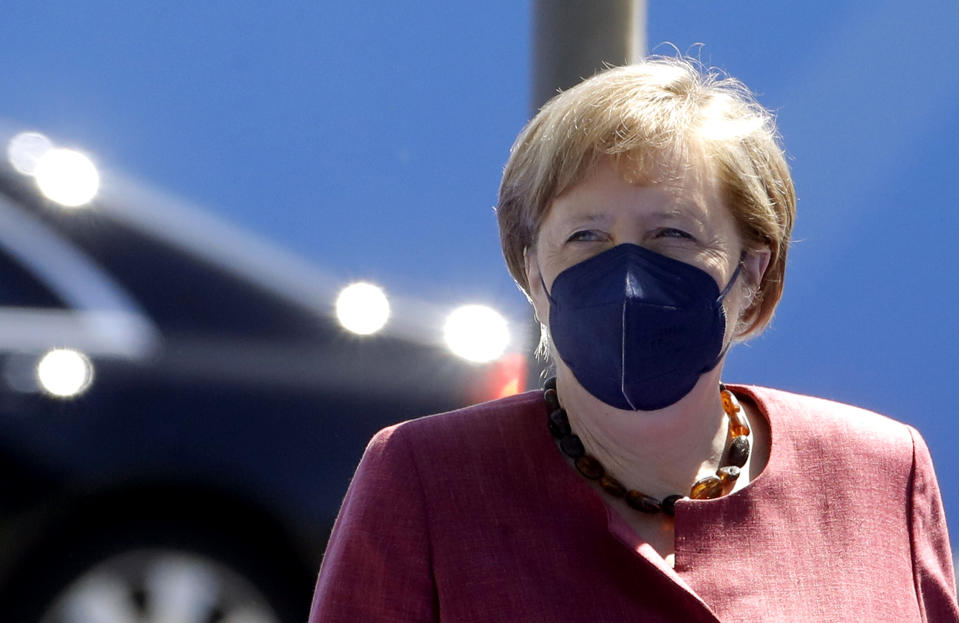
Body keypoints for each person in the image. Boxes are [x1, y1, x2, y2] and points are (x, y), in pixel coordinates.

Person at [308, 56, 959, 622]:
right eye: (585, 236)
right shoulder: (428, 478)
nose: (625, 276)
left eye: (671, 233)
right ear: (533, 274)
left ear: (752, 274)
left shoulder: (879, 472)